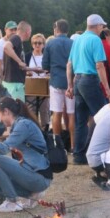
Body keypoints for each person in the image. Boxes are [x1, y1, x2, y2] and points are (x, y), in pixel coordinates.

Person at [0, 97, 52, 212]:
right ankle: (31, 194)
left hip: (38, 176)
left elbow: (4, 149)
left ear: (6, 111)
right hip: (32, 173)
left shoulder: (23, 125)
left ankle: (12, 202)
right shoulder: (20, 124)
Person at [66, 14, 110, 164]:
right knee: (103, 117)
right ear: (97, 26)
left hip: (78, 80)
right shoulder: (95, 40)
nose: (102, 29)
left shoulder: (77, 39)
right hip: (90, 80)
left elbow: (69, 65)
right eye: (102, 26)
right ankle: (97, 153)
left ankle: (78, 155)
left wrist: (70, 85)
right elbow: (99, 65)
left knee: (80, 120)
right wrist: (107, 88)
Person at [42, 19, 75, 150]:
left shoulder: (50, 43)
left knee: (57, 113)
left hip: (55, 81)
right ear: (67, 30)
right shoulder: (73, 43)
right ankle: (73, 146)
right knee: (72, 114)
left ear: (56, 29)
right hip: (70, 82)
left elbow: (45, 65)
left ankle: (57, 146)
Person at [25, 33, 50, 129]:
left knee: (45, 110)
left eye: (39, 43)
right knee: (31, 110)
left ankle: (45, 131)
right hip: (31, 87)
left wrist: (48, 73)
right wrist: (27, 73)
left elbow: (50, 69)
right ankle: (32, 130)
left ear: (43, 44)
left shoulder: (46, 57)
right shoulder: (27, 56)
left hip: (44, 86)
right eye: (35, 43)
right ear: (32, 44)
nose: (37, 45)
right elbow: (23, 69)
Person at [3, 21, 32, 101]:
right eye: (30, 32)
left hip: (14, 83)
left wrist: (31, 69)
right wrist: (19, 61)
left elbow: (17, 65)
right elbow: (6, 47)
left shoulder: (18, 41)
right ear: (28, 31)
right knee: (17, 110)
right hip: (14, 83)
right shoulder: (17, 38)